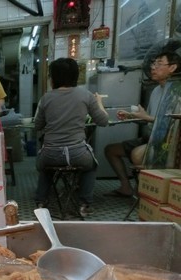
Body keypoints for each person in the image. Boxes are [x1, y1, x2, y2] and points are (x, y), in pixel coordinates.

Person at [34, 58, 109, 217]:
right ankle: (84, 204)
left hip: (50, 154)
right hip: (77, 154)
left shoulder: (46, 98)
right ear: (76, 76)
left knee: (46, 168)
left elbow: (37, 125)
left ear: (53, 78)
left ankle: (40, 202)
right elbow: (103, 121)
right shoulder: (86, 95)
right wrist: (99, 102)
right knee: (92, 165)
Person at [103, 51, 181, 197]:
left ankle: (147, 194)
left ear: (172, 68)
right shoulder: (156, 90)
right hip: (149, 137)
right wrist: (132, 116)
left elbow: (173, 124)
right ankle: (126, 187)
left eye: (159, 63)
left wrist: (146, 117)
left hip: (166, 141)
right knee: (110, 150)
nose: (153, 67)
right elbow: (150, 118)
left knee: (137, 155)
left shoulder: (176, 92)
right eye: (153, 63)